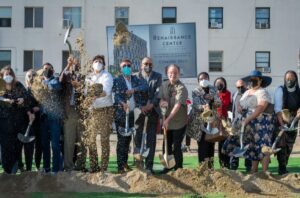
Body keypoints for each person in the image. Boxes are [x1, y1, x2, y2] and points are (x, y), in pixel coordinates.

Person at [77, 55, 114, 173]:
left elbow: (106, 92)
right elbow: (85, 92)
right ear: (92, 64)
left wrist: (94, 95)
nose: (98, 63)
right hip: (92, 112)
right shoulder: (88, 77)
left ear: (103, 65)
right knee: (91, 140)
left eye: (100, 62)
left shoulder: (107, 76)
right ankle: (94, 166)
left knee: (104, 140)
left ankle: (104, 168)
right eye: (96, 61)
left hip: (105, 111)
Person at [113, 58, 148, 174]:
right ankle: (120, 166)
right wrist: (122, 103)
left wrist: (134, 90)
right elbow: (116, 95)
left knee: (133, 140)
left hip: (135, 114)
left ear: (131, 67)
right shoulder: (117, 80)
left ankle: (130, 164)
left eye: (128, 65)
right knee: (122, 141)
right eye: (124, 66)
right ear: (120, 68)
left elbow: (145, 87)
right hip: (122, 114)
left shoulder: (136, 78)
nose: (126, 67)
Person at [0, 66, 34, 174]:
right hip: (4, 121)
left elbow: (28, 99)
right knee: (6, 147)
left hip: (18, 121)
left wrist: (22, 99)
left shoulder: (18, 85)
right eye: (6, 74)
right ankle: (7, 170)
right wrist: (3, 100)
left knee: (16, 146)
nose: (8, 76)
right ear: (2, 76)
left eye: (10, 74)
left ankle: (15, 169)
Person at [240, 70, 274, 172]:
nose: (253, 81)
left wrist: (247, 119)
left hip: (262, 123)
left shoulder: (263, 92)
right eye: (251, 79)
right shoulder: (246, 92)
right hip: (249, 124)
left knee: (263, 147)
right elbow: (240, 102)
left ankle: (264, 173)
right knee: (253, 147)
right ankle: (253, 170)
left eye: (255, 79)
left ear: (260, 81)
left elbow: (260, 108)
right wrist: (239, 107)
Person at [186, 72, 221, 168]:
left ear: (209, 79)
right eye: (201, 79)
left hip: (211, 121)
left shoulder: (214, 90)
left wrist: (213, 99)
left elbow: (219, 103)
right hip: (200, 122)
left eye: (205, 78)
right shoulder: (196, 91)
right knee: (202, 145)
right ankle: (202, 167)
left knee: (211, 143)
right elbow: (196, 105)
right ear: (198, 81)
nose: (203, 80)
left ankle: (211, 166)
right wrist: (204, 106)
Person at [134, 57, 162, 174]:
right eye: (146, 64)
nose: (148, 66)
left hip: (153, 112)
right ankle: (138, 165)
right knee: (138, 139)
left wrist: (150, 106)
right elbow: (134, 93)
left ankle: (149, 166)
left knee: (151, 140)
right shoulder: (135, 77)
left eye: (150, 64)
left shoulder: (158, 76)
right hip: (139, 113)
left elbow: (158, 93)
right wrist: (141, 107)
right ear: (141, 65)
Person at [158, 64, 188, 173]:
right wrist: (162, 102)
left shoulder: (181, 88)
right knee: (166, 145)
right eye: (170, 72)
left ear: (179, 74)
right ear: (167, 74)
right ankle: (167, 167)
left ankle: (178, 169)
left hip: (178, 122)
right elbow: (160, 99)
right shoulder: (164, 85)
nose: (173, 75)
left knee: (176, 146)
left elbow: (178, 105)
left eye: (175, 73)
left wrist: (167, 120)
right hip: (167, 123)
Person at [59, 56, 84, 171]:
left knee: (82, 142)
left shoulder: (84, 77)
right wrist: (67, 65)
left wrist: (79, 87)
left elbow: (88, 93)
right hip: (69, 113)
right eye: (73, 63)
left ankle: (81, 166)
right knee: (69, 141)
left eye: (76, 63)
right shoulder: (67, 76)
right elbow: (60, 80)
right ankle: (68, 166)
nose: (75, 65)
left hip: (82, 113)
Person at [274, 70, 300, 175]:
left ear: (296, 79)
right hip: (282, 118)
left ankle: (284, 165)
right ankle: (282, 168)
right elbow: (277, 109)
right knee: (282, 144)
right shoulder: (280, 90)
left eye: (291, 78)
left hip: (295, 119)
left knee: (289, 145)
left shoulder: (298, 91)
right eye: (287, 78)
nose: (289, 80)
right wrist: (282, 124)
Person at [39, 63, 64, 174]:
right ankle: (46, 168)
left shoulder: (55, 80)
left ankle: (56, 169)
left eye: (49, 69)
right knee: (45, 145)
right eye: (45, 69)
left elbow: (56, 87)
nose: (47, 70)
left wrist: (43, 84)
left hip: (54, 119)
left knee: (54, 145)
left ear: (53, 70)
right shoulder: (38, 82)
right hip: (43, 119)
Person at [222, 79, 251, 171]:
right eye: (238, 87)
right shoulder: (234, 95)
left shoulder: (251, 95)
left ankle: (248, 167)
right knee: (234, 145)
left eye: (242, 87)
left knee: (248, 146)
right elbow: (232, 108)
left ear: (246, 86)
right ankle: (233, 167)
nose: (240, 89)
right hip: (236, 124)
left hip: (248, 124)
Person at [214, 77, 231, 168]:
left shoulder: (228, 93)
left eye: (221, 83)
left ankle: (226, 164)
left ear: (224, 84)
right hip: (215, 122)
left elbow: (227, 105)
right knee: (215, 141)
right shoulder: (212, 94)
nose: (219, 85)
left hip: (225, 122)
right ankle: (220, 163)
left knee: (225, 143)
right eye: (217, 83)